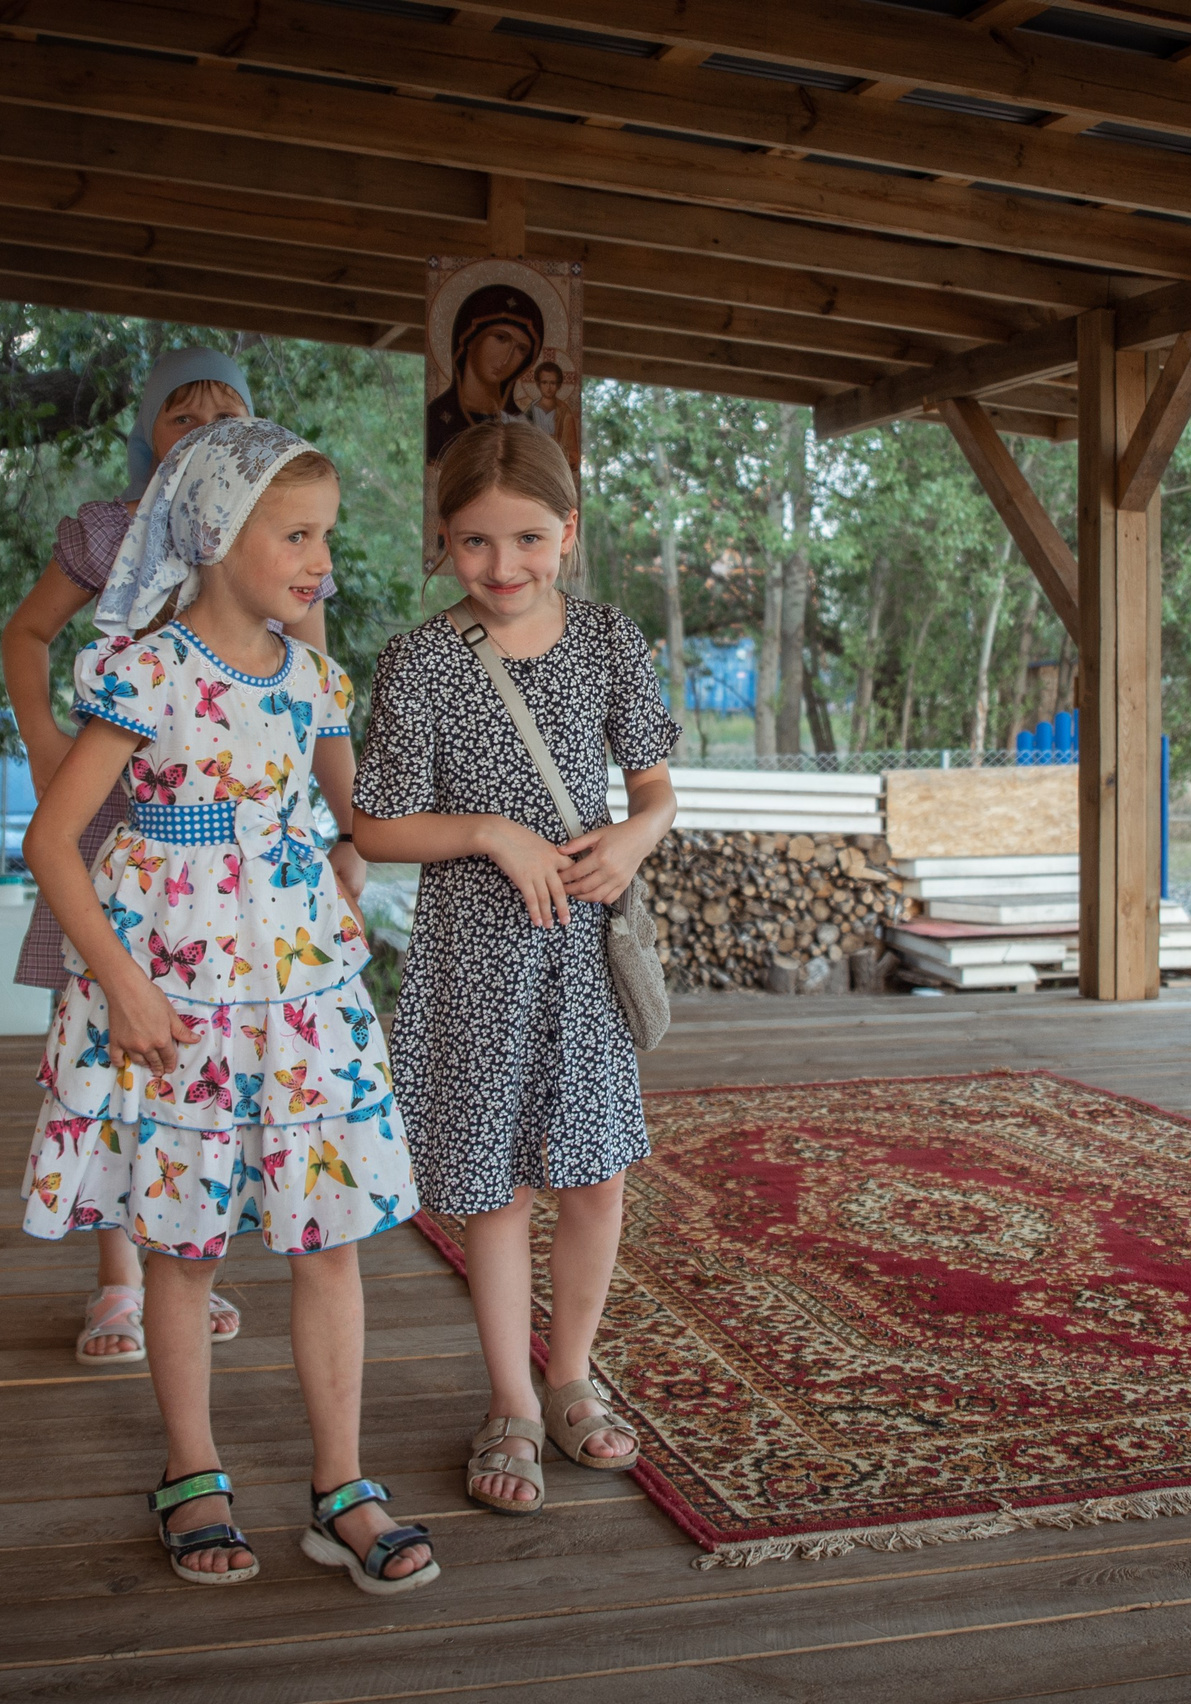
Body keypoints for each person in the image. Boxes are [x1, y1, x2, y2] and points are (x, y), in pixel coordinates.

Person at [20, 416, 437, 1595]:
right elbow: (55, 843)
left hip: (300, 987)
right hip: (174, 980)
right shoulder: (145, 669)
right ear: (214, 532)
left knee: (330, 1232)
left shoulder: (311, 677)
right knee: (181, 1240)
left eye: (327, 538)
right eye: (296, 535)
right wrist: (124, 985)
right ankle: (192, 1471)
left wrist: (425, 842)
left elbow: (362, 820)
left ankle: (340, 1486)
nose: (321, 561)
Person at [2, 348, 363, 1364]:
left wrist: (335, 827)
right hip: (130, 798)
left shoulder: (292, 577)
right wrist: (44, 742)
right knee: (127, 1033)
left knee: (237, 1046)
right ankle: (130, 1270)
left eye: (225, 410)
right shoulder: (110, 540)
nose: (202, 423)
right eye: (181, 412)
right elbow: (28, 637)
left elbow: (319, 698)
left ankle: (200, 1235)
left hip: (255, 820)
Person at [352, 423, 680, 1516]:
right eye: (476, 541)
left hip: (582, 950)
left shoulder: (609, 643)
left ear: (569, 534)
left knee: (594, 1176)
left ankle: (572, 1375)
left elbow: (656, 792)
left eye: (528, 539)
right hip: (471, 954)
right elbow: (380, 826)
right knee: (490, 1188)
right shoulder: (418, 660)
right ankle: (511, 1403)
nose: (503, 567)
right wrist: (491, 831)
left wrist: (630, 840)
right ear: (442, 541)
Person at [424, 283, 543, 461]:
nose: (507, 359)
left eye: (521, 349)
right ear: (470, 338)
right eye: (501, 338)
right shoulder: (437, 419)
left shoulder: (525, 428)